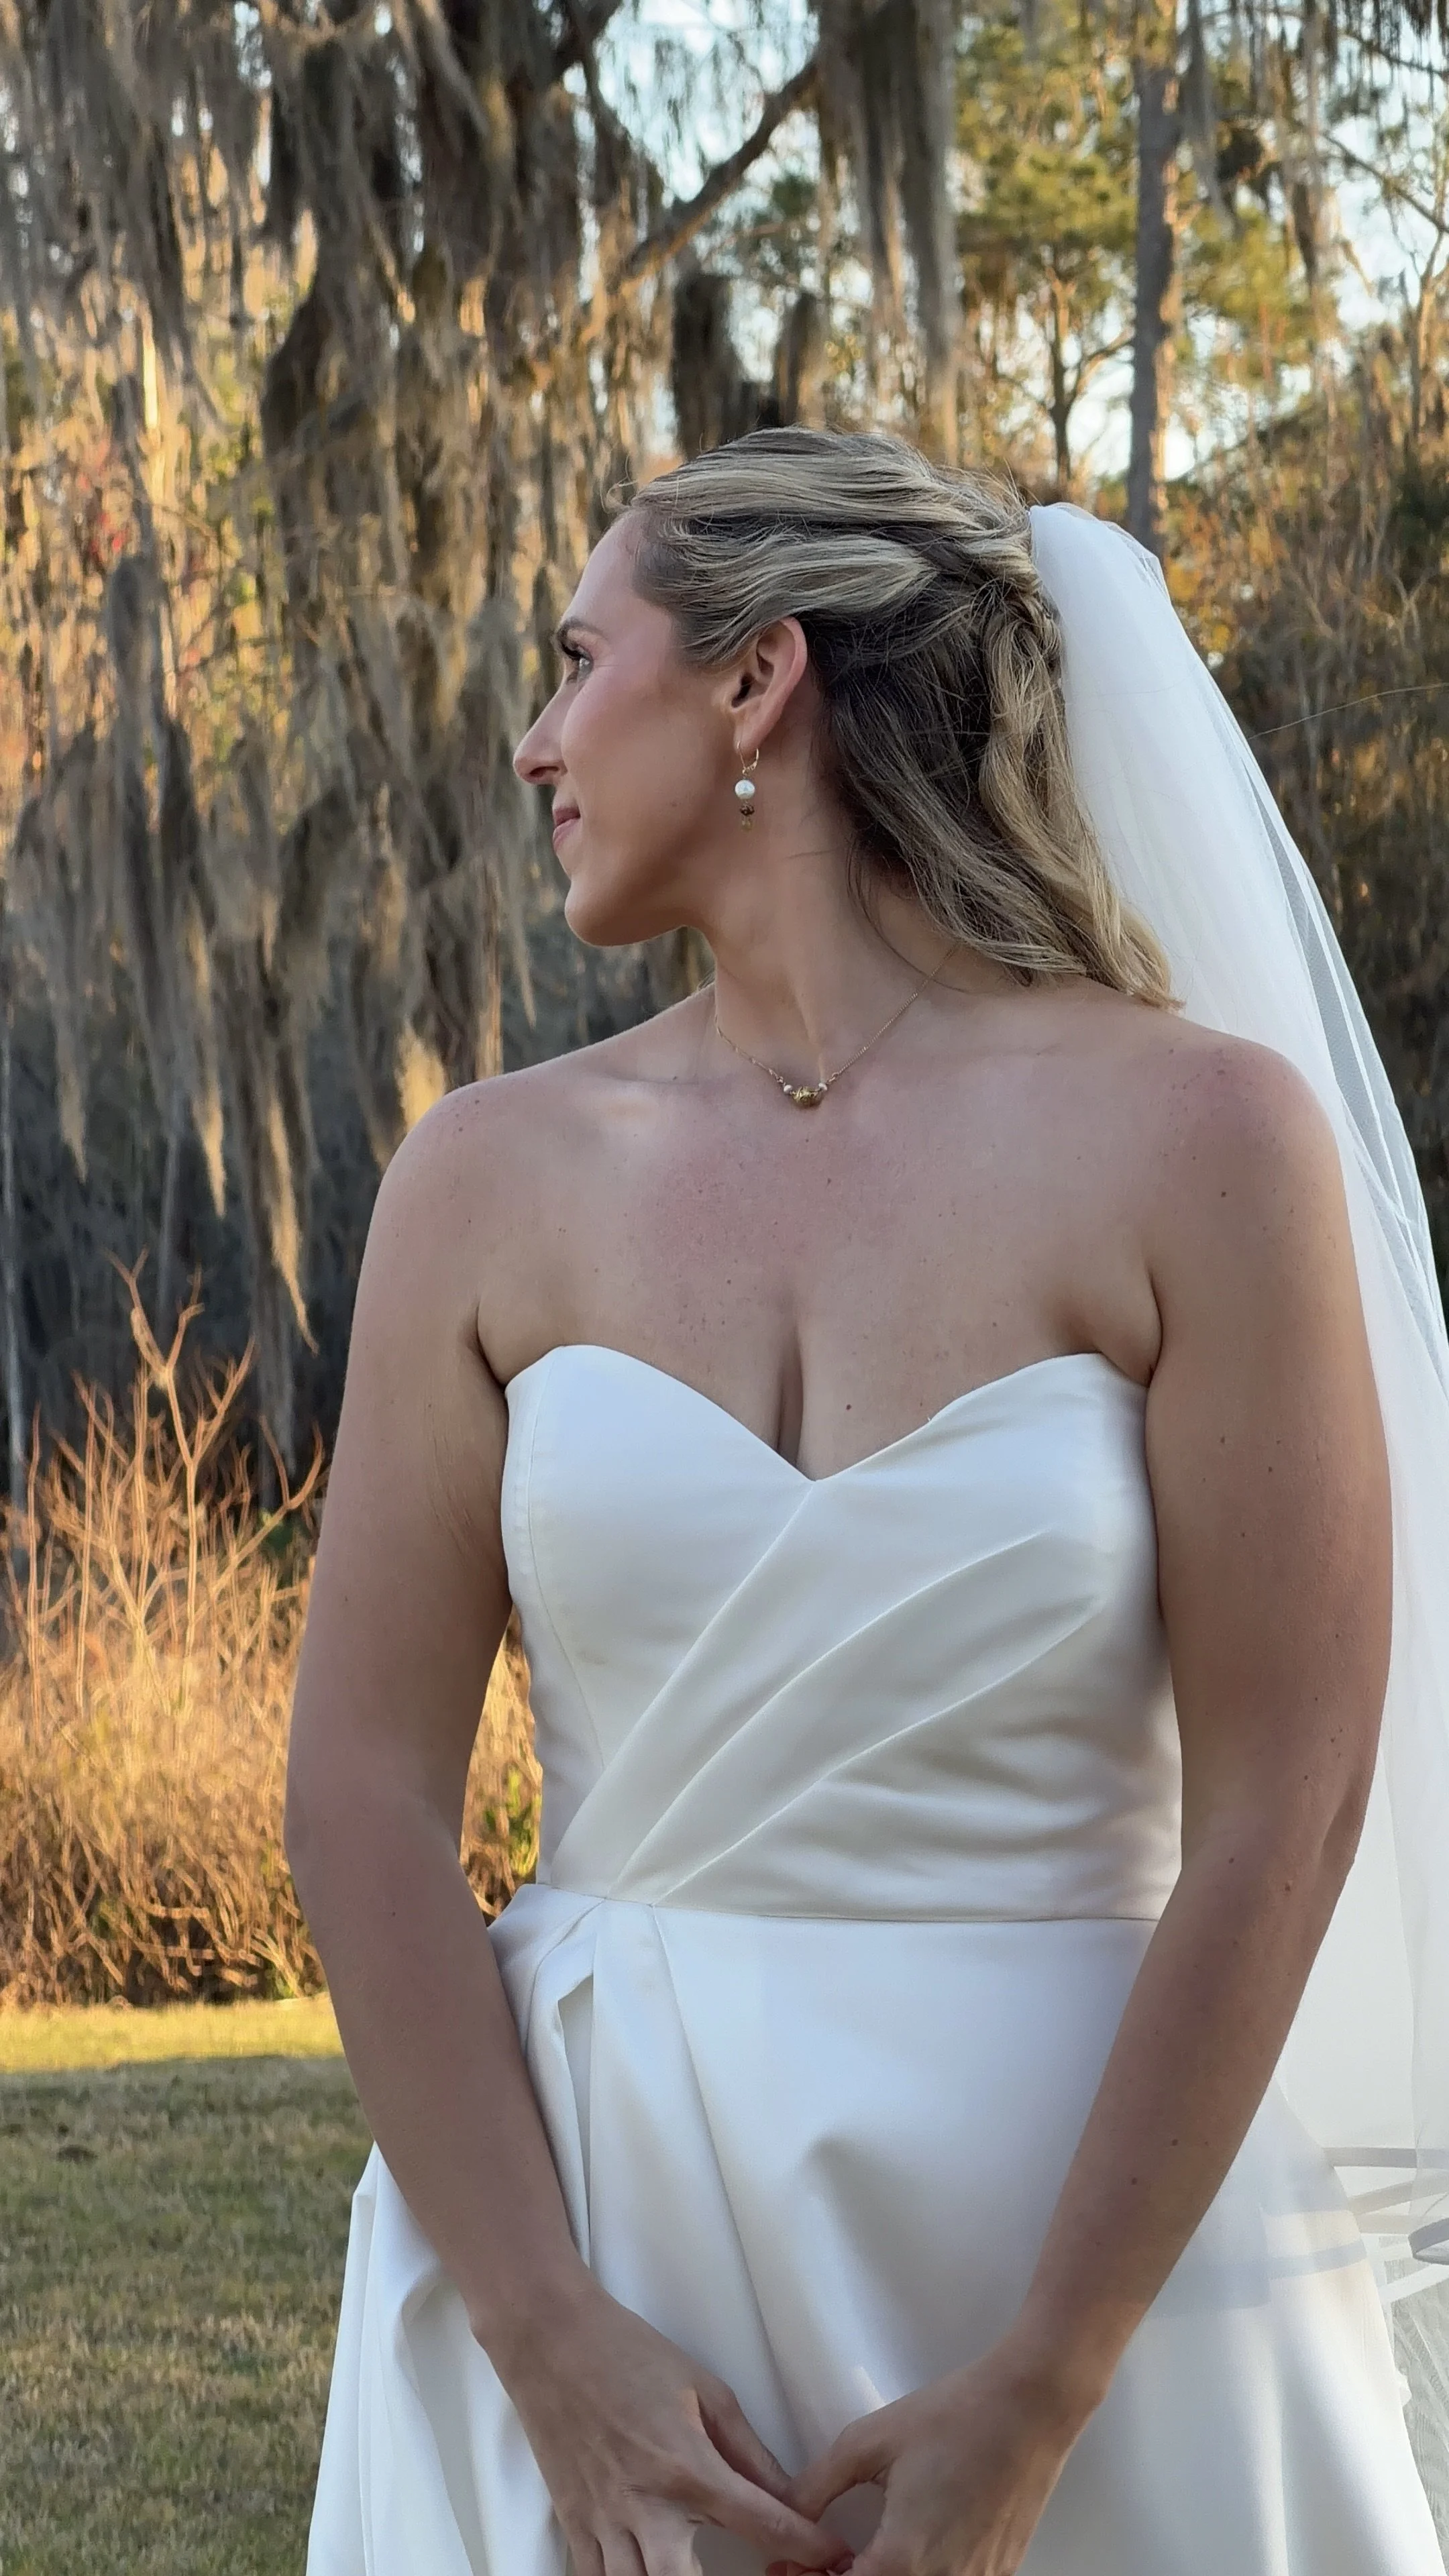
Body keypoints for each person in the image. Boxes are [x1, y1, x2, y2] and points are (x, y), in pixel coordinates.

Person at [288, 427, 1449, 2576]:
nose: (537, 743)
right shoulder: (486, 1181)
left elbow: (1292, 1796)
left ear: (757, 681)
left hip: (1085, 2246)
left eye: (573, 660)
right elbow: (359, 1790)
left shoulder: (1203, 1141)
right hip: (592, 2234)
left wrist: (1053, 2376)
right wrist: (547, 2344)